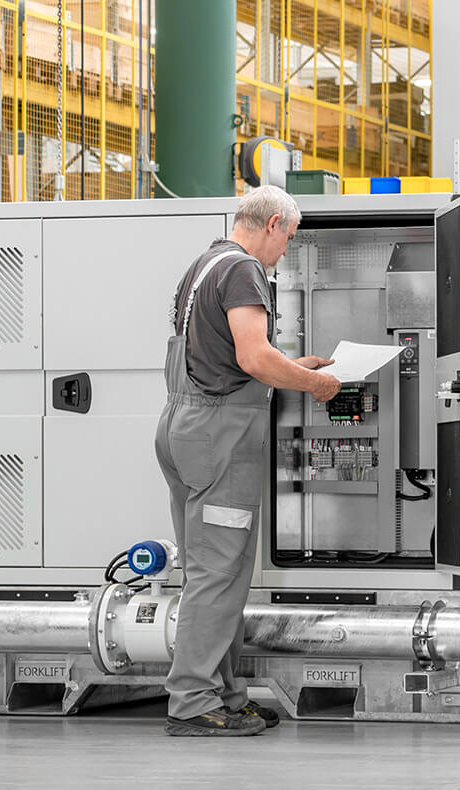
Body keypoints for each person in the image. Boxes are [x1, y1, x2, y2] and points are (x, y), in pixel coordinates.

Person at [154, 185, 342, 736]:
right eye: (289, 238)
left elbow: (228, 355)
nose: (285, 250)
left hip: (183, 427)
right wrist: (315, 383)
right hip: (219, 435)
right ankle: (192, 702)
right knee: (218, 575)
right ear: (274, 223)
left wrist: (292, 364)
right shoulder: (242, 270)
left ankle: (226, 697)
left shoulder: (203, 266)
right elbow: (252, 355)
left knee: (214, 574)